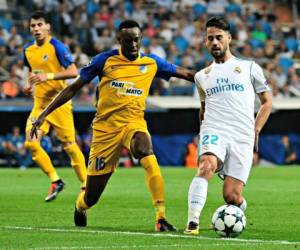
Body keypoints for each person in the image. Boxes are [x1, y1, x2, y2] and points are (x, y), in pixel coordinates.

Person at [30, 20, 195, 231]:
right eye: (128, 41)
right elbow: (73, 88)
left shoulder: (152, 62)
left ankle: (160, 218)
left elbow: (187, 74)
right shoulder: (104, 60)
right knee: (91, 197)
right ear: (119, 41)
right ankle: (80, 206)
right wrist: (44, 113)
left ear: (141, 39)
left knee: (145, 150)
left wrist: (213, 79)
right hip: (105, 131)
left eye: (136, 40)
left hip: (133, 123)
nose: (133, 45)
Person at [184, 16, 272, 235]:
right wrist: (202, 134)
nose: (215, 42)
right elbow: (203, 109)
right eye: (210, 38)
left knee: (231, 196)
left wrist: (256, 129)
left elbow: (267, 102)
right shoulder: (201, 76)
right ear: (205, 42)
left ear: (229, 38)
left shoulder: (249, 68)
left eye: (219, 37)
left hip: (242, 135)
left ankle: (239, 209)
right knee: (206, 166)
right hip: (215, 129)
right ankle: (192, 222)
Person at [23, 11, 87, 202]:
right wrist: (30, 84)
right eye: (33, 26)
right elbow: (32, 70)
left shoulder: (57, 46)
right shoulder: (27, 50)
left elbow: (74, 71)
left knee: (69, 145)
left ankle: (86, 185)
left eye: (40, 24)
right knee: (31, 143)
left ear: (48, 26)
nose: (36, 29)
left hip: (59, 104)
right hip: (40, 106)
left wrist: (48, 77)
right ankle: (55, 180)